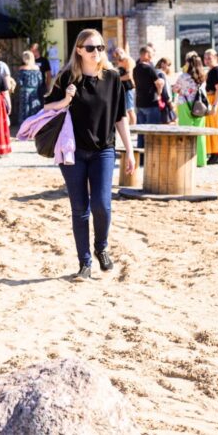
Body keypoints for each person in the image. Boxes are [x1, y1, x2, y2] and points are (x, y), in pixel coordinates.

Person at [43, 29, 134, 281]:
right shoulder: (67, 78)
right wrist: (65, 100)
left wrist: (129, 150)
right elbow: (47, 107)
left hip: (104, 150)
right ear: (79, 50)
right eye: (91, 48)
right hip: (73, 152)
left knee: (102, 205)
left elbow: (120, 117)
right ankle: (84, 262)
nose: (97, 53)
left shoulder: (113, 78)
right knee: (79, 208)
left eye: (101, 48)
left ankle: (101, 248)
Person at [172, 54, 209, 167]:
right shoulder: (202, 77)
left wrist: (182, 91)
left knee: (185, 132)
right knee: (200, 132)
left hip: (184, 105)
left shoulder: (183, 76)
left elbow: (175, 89)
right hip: (199, 105)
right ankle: (201, 160)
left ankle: (186, 159)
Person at [133, 46, 163, 134]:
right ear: (146, 54)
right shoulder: (149, 68)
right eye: (151, 53)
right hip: (151, 102)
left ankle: (140, 148)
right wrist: (159, 92)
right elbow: (158, 83)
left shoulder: (135, 69)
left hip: (139, 103)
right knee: (152, 132)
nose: (152, 55)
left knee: (141, 133)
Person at [16, 50, 44, 124]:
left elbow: (19, 82)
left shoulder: (22, 69)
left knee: (25, 111)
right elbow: (40, 81)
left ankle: (24, 127)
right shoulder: (37, 69)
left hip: (25, 92)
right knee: (34, 109)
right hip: (35, 92)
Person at [113, 48, 137, 126]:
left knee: (130, 109)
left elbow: (129, 76)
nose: (119, 55)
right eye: (117, 54)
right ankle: (129, 127)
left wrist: (118, 79)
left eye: (120, 52)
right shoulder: (119, 61)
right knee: (125, 109)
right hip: (123, 87)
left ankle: (133, 127)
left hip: (129, 87)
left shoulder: (128, 60)